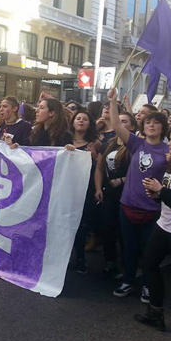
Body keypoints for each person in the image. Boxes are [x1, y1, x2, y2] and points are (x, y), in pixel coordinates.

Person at [107, 88, 169, 301]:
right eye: (148, 122)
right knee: (129, 247)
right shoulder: (136, 143)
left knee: (148, 252)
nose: (151, 125)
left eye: (156, 122)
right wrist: (113, 102)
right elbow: (116, 125)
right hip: (128, 205)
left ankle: (147, 285)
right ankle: (128, 281)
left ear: (163, 127)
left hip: (152, 210)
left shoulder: (168, 150)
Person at [94, 111, 137, 279]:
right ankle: (110, 261)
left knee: (125, 233)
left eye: (125, 121)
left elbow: (141, 171)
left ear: (132, 126)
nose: (120, 124)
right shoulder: (108, 144)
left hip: (128, 195)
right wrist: (98, 188)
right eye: (118, 121)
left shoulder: (137, 146)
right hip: (108, 194)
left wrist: (122, 180)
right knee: (107, 229)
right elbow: (99, 168)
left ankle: (128, 268)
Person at [137, 173, 171, 331]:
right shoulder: (170, 166)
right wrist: (156, 195)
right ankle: (155, 313)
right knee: (149, 265)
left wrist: (161, 191)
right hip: (164, 225)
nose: (169, 147)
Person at [67, 110, 101, 274]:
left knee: (79, 225)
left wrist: (93, 156)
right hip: (65, 186)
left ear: (90, 124)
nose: (81, 121)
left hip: (84, 187)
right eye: (78, 118)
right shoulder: (64, 139)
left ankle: (80, 259)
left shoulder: (94, 143)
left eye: (85, 119)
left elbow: (98, 169)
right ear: (72, 122)